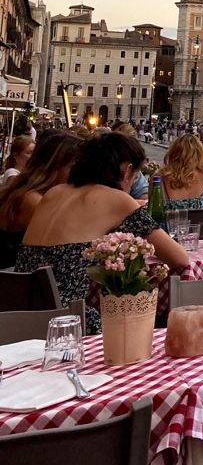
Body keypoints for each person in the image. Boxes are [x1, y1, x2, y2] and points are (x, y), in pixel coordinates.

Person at [16, 133, 188, 332]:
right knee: (136, 322)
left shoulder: (54, 193)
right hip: (66, 322)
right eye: (135, 177)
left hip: (18, 317)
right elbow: (180, 258)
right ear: (126, 170)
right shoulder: (116, 199)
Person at [0, 131, 80, 268]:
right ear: (55, 167)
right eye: (73, 166)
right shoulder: (33, 200)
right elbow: (64, 242)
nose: (78, 173)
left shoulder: (25, 190)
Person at [159, 134, 203, 211]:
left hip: (171, 218)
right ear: (201, 154)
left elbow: (152, 212)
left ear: (173, 153)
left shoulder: (159, 178)